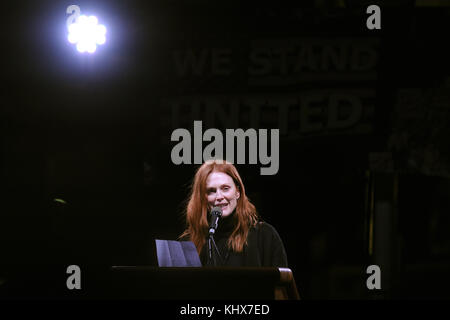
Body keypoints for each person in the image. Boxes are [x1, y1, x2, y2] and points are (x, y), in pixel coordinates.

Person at [180, 159, 288, 267]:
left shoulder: (264, 236)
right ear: (203, 198)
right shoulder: (190, 242)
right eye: (211, 191)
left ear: (237, 192)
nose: (219, 197)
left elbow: (281, 281)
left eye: (225, 188)